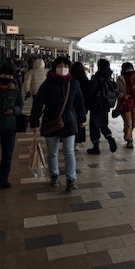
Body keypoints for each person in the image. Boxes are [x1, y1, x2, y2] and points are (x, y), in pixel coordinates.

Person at [30, 56, 86, 191]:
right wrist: (34, 122)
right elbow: (38, 103)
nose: (62, 68)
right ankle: (54, 175)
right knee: (52, 152)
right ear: (54, 67)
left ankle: (71, 179)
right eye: (59, 66)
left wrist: (82, 119)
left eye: (65, 66)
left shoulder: (73, 83)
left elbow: (80, 102)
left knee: (69, 152)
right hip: (51, 121)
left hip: (69, 121)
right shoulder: (48, 83)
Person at [86, 58, 117, 154]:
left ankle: (96, 147)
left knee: (94, 126)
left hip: (96, 105)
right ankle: (110, 138)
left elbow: (91, 91)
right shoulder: (109, 77)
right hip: (106, 105)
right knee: (103, 124)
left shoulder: (96, 77)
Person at [70, 61, 90, 151]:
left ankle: (69, 140)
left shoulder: (70, 80)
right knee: (80, 122)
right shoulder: (85, 80)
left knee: (70, 121)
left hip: (71, 104)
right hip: (83, 104)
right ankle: (77, 142)